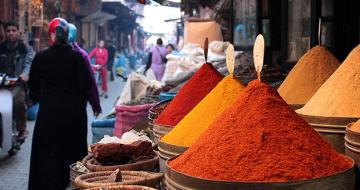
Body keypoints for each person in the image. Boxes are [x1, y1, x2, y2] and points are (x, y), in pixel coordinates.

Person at [28, 18, 93, 190]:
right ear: (67, 35)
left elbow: (33, 88)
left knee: (47, 156)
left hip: (49, 113)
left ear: (51, 34)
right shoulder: (77, 57)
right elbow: (85, 86)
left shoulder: (41, 57)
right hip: (74, 114)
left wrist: (44, 98)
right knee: (74, 155)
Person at [0, 20, 34, 141]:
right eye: (8, 31)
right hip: (2, 84)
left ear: (18, 33)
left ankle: (22, 129)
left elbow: (29, 63)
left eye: (13, 30)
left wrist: (24, 75)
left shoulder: (25, 49)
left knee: (19, 102)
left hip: (17, 84)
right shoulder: (1, 48)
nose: (10, 33)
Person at [68, 23, 101, 116]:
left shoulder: (50, 54)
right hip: (77, 104)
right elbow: (91, 81)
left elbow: (90, 81)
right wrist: (95, 105)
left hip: (70, 104)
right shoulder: (82, 55)